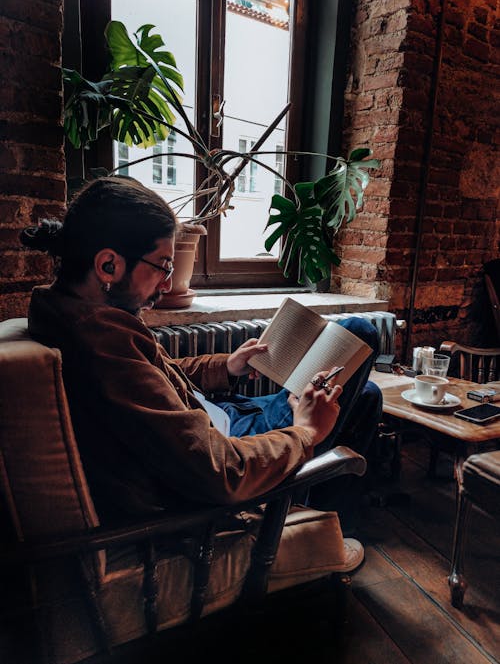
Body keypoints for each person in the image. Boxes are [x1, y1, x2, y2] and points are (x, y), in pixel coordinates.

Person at [20, 176, 381, 548]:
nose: (166, 284)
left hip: (218, 414)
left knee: (364, 393)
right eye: (162, 265)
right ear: (108, 265)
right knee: (360, 332)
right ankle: (324, 534)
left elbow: (156, 378)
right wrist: (306, 432)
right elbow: (221, 472)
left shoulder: (83, 315)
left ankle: (327, 526)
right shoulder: (100, 346)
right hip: (230, 441)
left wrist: (225, 367)